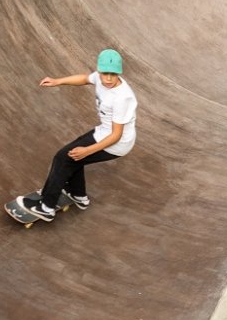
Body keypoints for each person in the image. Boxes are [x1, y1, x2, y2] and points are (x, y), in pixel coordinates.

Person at [13, 48, 138, 222]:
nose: (108, 79)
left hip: (117, 143)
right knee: (73, 155)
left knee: (63, 158)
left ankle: (46, 207)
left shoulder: (123, 98)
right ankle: (77, 195)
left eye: (113, 74)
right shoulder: (101, 78)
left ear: (119, 73)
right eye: (104, 74)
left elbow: (116, 135)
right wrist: (57, 81)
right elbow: (84, 79)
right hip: (103, 132)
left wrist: (88, 151)